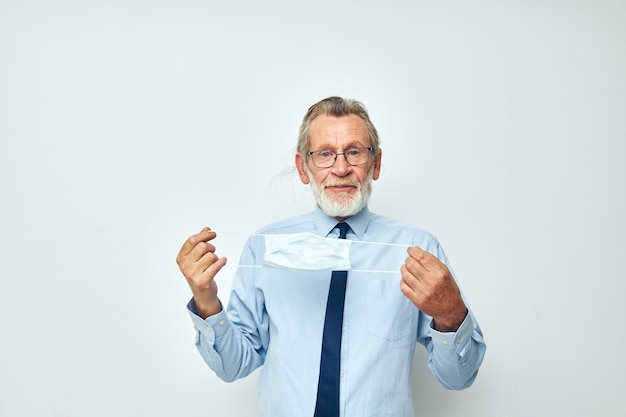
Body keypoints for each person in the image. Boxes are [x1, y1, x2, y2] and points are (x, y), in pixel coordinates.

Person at [176, 96, 486, 416]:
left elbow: (459, 378)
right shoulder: (265, 246)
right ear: (303, 167)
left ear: (376, 164)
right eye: (325, 154)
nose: (340, 168)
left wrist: (451, 315)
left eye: (354, 152)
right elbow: (232, 365)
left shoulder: (418, 251)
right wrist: (206, 301)